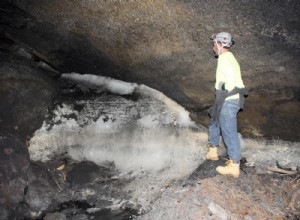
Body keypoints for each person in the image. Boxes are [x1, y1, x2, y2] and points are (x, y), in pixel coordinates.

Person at [206, 32, 248, 178]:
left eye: (214, 44)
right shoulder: (226, 58)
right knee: (214, 120)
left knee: (229, 131)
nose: (213, 48)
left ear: (220, 44)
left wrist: (224, 93)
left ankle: (234, 165)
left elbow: (231, 81)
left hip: (228, 100)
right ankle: (212, 152)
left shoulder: (226, 59)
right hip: (224, 99)